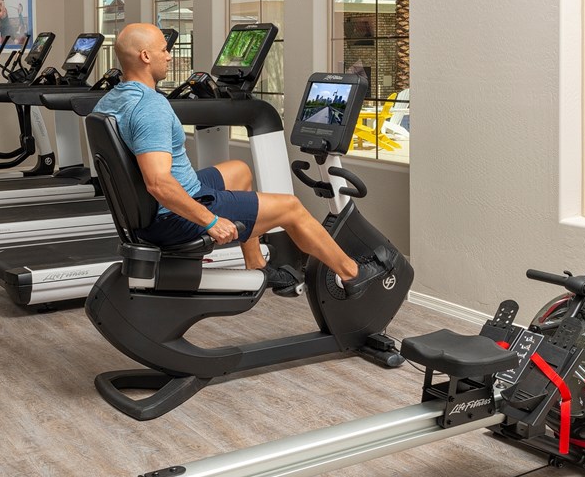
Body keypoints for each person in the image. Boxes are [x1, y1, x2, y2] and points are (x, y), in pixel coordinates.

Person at [93, 23, 395, 297]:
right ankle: (353, 275)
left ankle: (256, 264)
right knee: (291, 208)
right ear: (146, 57)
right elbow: (158, 183)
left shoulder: (113, 99)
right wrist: (209, 220)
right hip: (171, 215)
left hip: (159, 206)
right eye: (164, 50)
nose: (169, 56)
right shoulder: (150, 107)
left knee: (238, 170)